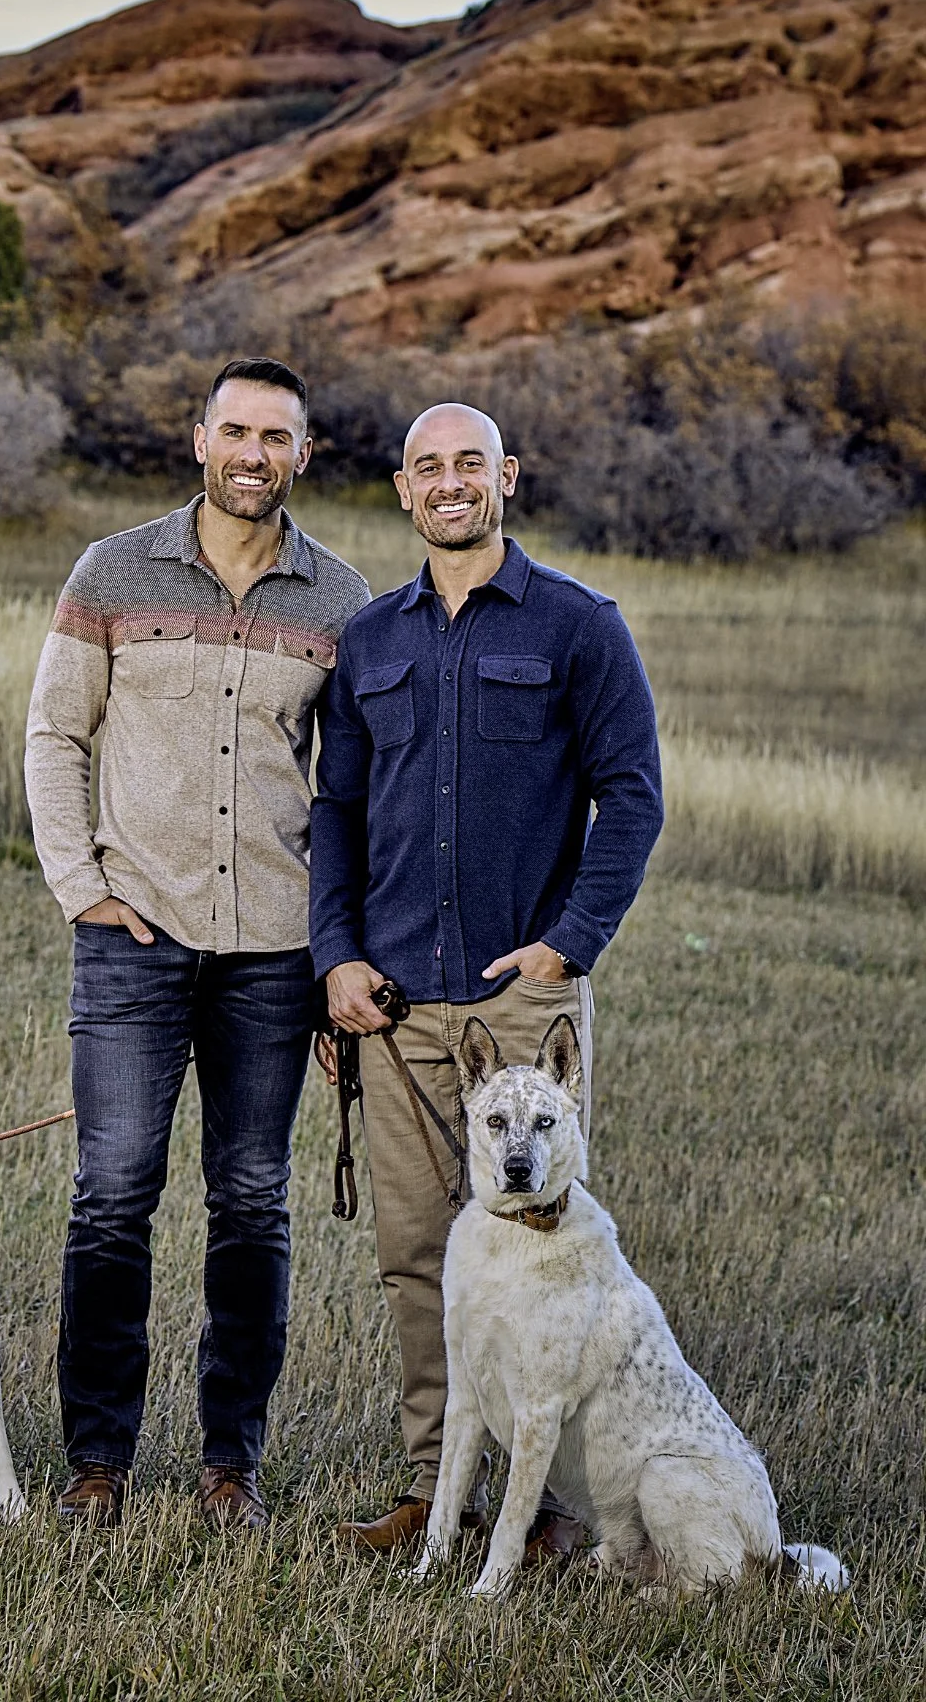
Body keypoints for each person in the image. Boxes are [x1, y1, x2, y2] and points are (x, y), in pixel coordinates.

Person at [310, 402, 664, 1553]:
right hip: (401, 1008)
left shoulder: (580, 626)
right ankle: (437, 1489)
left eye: (471, 462)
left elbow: (634, 797)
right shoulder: (370, 640)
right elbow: (340, 813)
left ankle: (552, 1505)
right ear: (404, 493)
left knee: (537, 1246)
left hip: (524, 1004)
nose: (450, 483)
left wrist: (570, 943)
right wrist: (337, 957)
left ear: (506, 475)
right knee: (420, 1255)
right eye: (428, 468)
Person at [25, 358, 370, 1530]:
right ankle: (98, 1467)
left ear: (303, 456)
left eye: (276, 437)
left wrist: (335, 955)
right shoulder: (111, 572)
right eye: (236, 431)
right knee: (112, 1196)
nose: (252, 454)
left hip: (273, 954)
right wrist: (81, 887)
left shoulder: (341, 601)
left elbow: (353, 795)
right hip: (133, 934)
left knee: (254, 1201)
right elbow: (53, 737)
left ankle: (232, 1470)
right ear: (199, 439)